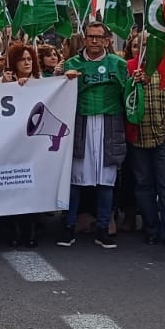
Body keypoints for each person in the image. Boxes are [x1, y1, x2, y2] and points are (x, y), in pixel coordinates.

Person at [58, 22, 129, 250]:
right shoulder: (72, 64)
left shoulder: (118, 64)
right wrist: (62, 77)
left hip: (109, 123)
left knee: (106, 179)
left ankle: (102, 228)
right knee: (75, 179)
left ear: (107, 40)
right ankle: (68, 227)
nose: (94, 41)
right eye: (90, 37)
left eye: (99, 37)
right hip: (81, 124)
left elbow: (128, 94)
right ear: (85, 39)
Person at [128, 65, 165, 250]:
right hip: (139, 134)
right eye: (136, 45)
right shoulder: (129, 68)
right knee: (144, 184)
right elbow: (123, 96)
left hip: (162, 133)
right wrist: (132, 83)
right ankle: (151, 228)